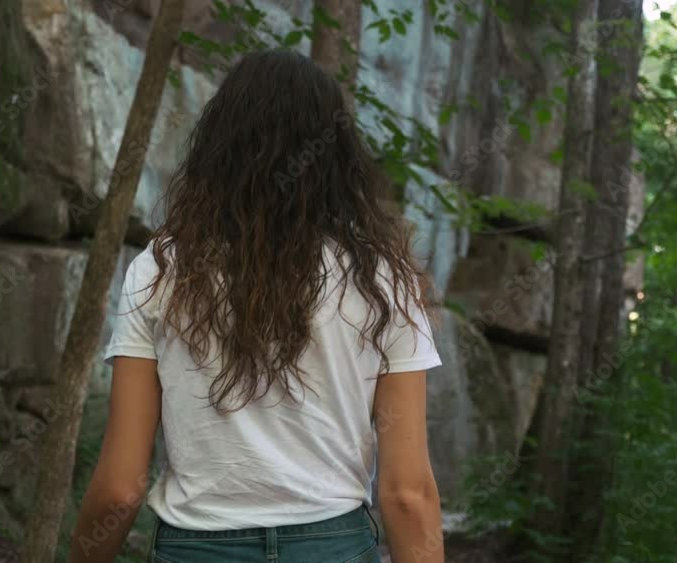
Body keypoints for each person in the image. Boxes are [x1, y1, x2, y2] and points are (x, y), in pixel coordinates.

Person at [68, 50, 445, 563]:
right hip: (330, 548)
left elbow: (121, 489)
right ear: (338, 155)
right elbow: (406, 494)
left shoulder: (160, 270)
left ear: (219, 146)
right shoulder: (384, 282)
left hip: (195, 549)